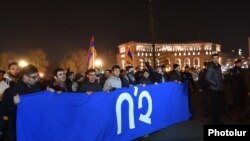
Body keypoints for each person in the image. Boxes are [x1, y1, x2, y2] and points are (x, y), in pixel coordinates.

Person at [2, 64, 41, 141]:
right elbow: (4, 111)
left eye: (37, 77)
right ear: (25, 77)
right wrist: (14, 104)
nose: (36, 79)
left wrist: (52, 95)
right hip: (17, 130)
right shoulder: (11, 91)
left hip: (34, 128)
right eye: (34, 77)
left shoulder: (37, 89)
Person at [205, 53, 224, 124]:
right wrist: (215, 83)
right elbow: (207, 78)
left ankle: (218, 119)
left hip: (219, 88)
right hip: (214, 89)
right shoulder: (210, 67)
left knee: (219, 104)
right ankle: (215, 120)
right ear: (212, 59)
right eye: (214, 58)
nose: (216, 59)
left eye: (217, 58)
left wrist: (221, 77)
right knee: (215, 105)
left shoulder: (218, 66)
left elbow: (218, 76)